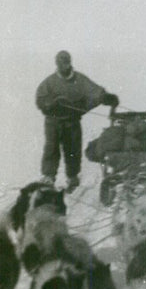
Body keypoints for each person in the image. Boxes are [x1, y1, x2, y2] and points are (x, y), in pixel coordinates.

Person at [35, 50, 119, 192]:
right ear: (57, 64)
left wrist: (106, 97)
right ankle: (49, 176)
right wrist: (51, 104)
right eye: (60, 63)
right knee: (51, 148)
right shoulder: (49, 82)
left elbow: (94, 91)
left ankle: (72, 177)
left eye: (66, 62)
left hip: (72, 121)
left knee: (73, 149)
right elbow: (40, 99)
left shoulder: (79, 80)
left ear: (70, 63)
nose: (63, 66)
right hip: (53, 122)